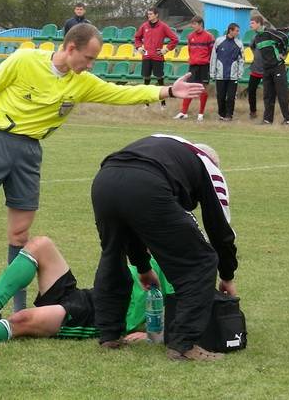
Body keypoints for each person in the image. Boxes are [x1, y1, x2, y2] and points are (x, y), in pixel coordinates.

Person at [0, 23, 204, 324]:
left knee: (19, 234)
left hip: (30, 153)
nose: (90, 65)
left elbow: (121, 93)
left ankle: (16, 312)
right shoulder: (25, 60)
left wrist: (168, 90)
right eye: (88, 58)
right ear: (71, 47)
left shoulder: (82, 82)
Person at [91, 134, 238, 361]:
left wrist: (143, 267)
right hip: (146, 183)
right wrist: (227, 275)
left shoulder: (169, 146)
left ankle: (109, 335)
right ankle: (183, 344)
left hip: (105, 180)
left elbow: (134, 226)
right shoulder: (209, 168)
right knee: (201, 261)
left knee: (112, 254)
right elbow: (220, 229)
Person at [0, 235, 173, 345]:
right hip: (88, 296)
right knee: (41, 245)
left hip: (98, 318)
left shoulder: (175, 256)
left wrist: (150, 336)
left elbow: (182, 306)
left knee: (21, 320)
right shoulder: (145, 235)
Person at [133, 7, 179, 109]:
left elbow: (175, 39)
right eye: (148, 14)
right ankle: (146, 103)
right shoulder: (144, 26)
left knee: (160, 79)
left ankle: (163, 104)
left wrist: (166, 49)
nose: (148, 16)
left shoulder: (163, 26)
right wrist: (139, 47)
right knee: (146, 79)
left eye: (151, 14)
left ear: (156, 15)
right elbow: (137, 38)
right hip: (146, 56)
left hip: (158, 57)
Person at [250, 15, 289, 125]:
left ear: (259, 23)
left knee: (282, 95)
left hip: (278, 67)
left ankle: (287, 120)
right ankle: (267, 120)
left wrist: (283, 53)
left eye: (252, 23)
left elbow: (285, 37)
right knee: (268, 95)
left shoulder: (270, 33)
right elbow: (253, 48)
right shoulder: (257, 38)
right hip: (266, 69)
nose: (251, 25)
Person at [173, 16, 214, 122]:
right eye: (192, 24)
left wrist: (205, 60)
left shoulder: (209, 36)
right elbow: (190, 51)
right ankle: (183, 112)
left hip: (204, 66)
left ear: (201, 24)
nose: (192, 26)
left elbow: (212, 52)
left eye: (194, 24)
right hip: (193, 66)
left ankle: (201, 114)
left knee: (203, 88)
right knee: (189, 88)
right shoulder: (190, 36)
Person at [209, 23, 244, 121]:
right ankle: (222, 114)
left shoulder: (239, 43)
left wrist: (240, 73)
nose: (238, 33)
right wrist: (212, 72)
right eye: (236, 31)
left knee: (231, 97)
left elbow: (241, 60)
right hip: (220, 75)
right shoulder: (219, 41)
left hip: (233, 76)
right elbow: (213, 57)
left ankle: (229, 115)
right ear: (230, 30)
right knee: (220, 96)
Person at [247, 38, 264, 119]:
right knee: (251, 91)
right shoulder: (255, 38)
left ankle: (268, 114)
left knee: (269, 93)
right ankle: (253, 112)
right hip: (255, 70)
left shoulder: (271, 38)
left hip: (268, 70)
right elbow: (251, 46)